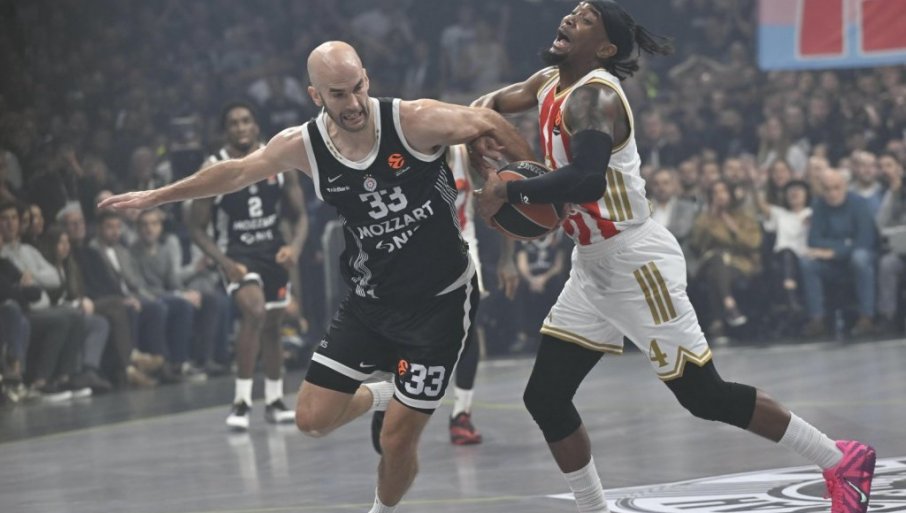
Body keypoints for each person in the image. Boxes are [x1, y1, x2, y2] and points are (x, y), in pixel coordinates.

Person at [471, 2, 876, 512]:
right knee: (545, 396)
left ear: (605, 48)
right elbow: (491, 103)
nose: (572, 17)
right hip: (592, 264)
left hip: (635, 263)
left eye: (587, 19)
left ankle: (840, 459)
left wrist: (510, 192)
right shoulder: (549, 80)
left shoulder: (594, 97)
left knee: (705, 396)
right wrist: (474, 127)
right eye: (574, 11)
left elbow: (588, 180)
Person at [98, 41, 534, 512]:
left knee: (395, 440)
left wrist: (539, 187)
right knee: (311, 420)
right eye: (338, 95)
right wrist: (156, 196)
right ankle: (391, 391)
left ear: (367, 79)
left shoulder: (412, 120)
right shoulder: (303, 145)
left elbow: (490, 121)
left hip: (439, 301)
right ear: (315, 96)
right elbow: (236, 172)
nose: (354, 103)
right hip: (370, 302)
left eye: (358, 88)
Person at [369, 144, 520, 450]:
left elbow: (502, 196)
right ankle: (389, 400)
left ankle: (462, 414)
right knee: (410, 336)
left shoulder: (465, 153)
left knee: (467, 329)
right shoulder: (402, 156)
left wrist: (507, 258)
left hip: (462, 245)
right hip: (414, 250)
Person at [187, 101, 308, 430]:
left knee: (273, 325)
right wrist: (224, 263)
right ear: (225, 131)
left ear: (256, 126)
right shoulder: (215, 166)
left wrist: (294, 248)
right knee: (254, 312)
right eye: (233, 122)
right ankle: (241, 401)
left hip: (273, 253)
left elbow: (300, 216)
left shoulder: (279, 160)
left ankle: (275, 401)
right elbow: (195, 226)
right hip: (237, 254)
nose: (240, 127)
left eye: (245, 121)